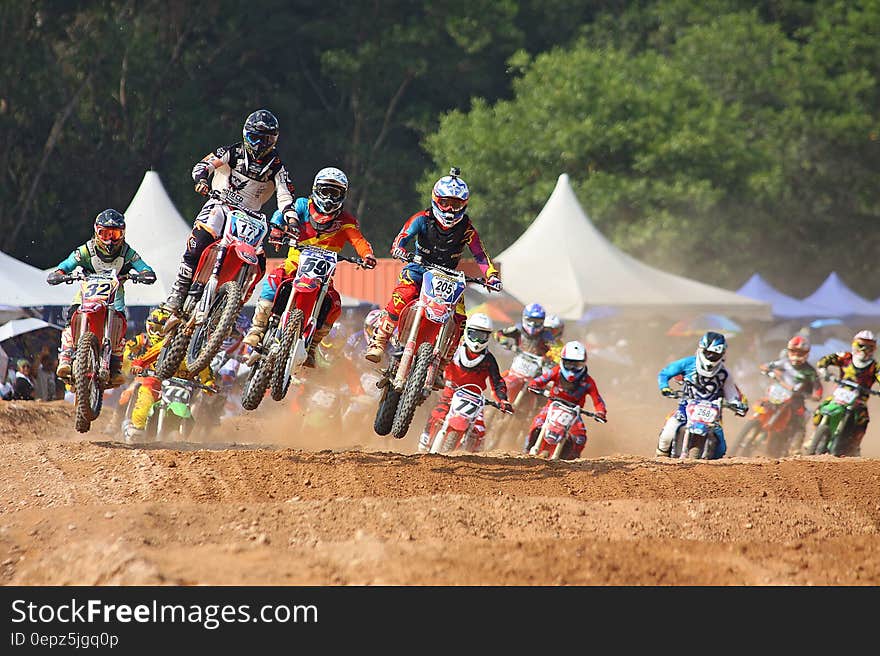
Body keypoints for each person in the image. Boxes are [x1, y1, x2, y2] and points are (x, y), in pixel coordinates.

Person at [163, 109, 297, 315]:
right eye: (255, 137)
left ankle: (233, 308)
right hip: (221, 204)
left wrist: (291, 219)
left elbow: (285, 195)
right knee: (200, 239)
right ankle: (179, 290)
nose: (260, 144)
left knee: (260, 260)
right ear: (245, 134)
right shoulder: (232, 152)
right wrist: (201, 179)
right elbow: (203, 165)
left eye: (266, 139)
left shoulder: (277, 166)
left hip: (251, 216)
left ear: (274, 140)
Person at [364, 168, 502, 363]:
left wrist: (492, 276)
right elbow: (401, 239)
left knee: (461, 318)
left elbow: (480, 254)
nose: (449, 210)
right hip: (419, 269)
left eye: (456, 204)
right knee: (402, 296)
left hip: (449, 277)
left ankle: (444, 362)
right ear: (436, 200)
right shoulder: (421, 218)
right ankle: (379, 341)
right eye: (445, 203)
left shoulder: (467, 229)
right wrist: (400, 250)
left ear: (464, 205)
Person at [243, 166, 376, 367]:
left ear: (343, 196)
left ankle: (312, 346)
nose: (330, 198)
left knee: (335, 305)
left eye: (335, 193)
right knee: (274, 279)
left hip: (323, 276)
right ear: (316, 189)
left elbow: (358, 240)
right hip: (295, 264)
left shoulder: (346, 221)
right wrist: (277, 230)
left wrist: (367, 255)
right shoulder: (302, 205)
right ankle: (257, 328)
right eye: (326, 191)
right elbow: (283, 214)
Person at [47, 209, 156, 386]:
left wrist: (145, 274)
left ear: (123, 233)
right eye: (105, 233)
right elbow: (67, 264)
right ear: (96, 232)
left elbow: (144, 267)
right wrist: (59, 273)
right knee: (71, 318)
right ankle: (66, 356)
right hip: (86, 295)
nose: (110, 240)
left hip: (114, 299)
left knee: (120, 326)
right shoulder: (86, 250)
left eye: (115, 234)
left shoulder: (127, 252)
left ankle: (115, 365)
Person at [418, 313, 512, 452]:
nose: (477, 341)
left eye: (482, 336)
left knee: (480, 431)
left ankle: (474, 458)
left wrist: (503, 400)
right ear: (467, 332)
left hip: (475, 400)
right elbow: (436, 362)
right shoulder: (453, 350)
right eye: (474, 335)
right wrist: (427, 377)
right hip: (450, 393)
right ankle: (423, 444)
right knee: (436, 415)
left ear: (488, 337)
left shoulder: (489, 359)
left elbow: (497, 381)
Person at [122, 307, 216, 442]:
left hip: (182, 387)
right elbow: (149, 353)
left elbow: (204, 368)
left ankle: (180, 434)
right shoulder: (162, 343)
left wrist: (209, 383)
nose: (189, 333)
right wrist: (137, 363)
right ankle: (136, 427)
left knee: (196, 406)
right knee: (143, 397)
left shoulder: (194, 352)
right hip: (154, 380)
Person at [656, 331, 747, 459]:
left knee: (721, 448)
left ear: (722, 355)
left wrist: (737, 404)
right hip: (685, 408)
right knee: (667, 435)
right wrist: (664, 387)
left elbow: (731, 392)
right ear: (701, 349)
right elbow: (665, 373)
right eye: (708, 353)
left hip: (713, 413)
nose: (710, 357)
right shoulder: (688, 363)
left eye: (715, 354)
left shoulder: (724, 373)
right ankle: (660, 460)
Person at [525, 340, 607, 459]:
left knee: (580, 438)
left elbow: (597, 400)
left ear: (583, 364)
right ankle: (527, 449)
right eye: (569, 364)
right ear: (563, 361)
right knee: (537, 424)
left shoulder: (587, 381)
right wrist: (534, 385)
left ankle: (572, 460)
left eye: (577, 365)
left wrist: (601, 412)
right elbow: (541, 380)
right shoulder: (556, 371)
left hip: (574, 413)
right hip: (552, 406)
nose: (573, 369)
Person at [809, 330, 880, 456]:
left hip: (860, 399)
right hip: (841, 393)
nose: (864, 349)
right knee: (821, 407)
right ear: (855, 344)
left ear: (873, 348)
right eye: (861, 345)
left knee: (863, 419)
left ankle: (855, 445)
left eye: (869, 346)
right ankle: (814, 434)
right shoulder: (846, 357)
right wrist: (823, 370)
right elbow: (826, 359)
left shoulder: (875, 367)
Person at [756, 335, 823, 452]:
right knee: (763, 404)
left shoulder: (810, 370)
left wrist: (816, 395)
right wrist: (767, 370)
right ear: (789, 351)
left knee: (801, 418)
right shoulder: (784, 363)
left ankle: (795, 447)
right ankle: (755, 428)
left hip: (797, 398)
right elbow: (766, 365)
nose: (796, 355)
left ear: (806, 353)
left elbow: (817, 386)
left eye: (800, 352)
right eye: (794, 351)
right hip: (780, 392)